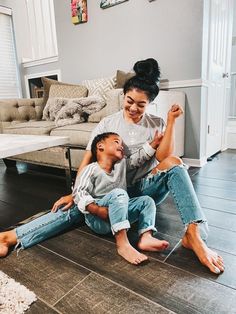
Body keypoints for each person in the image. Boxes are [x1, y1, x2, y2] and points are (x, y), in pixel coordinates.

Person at [0, 58, 224, 274]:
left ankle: (193, 233)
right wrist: (75, 193)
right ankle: (11, 236)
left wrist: (172, 121)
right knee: (77, 207)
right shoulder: (108, 124)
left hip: (141, 190)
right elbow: (88, 160)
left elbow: (164, 157)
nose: (133, 108)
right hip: (108, 191)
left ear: (149, 104)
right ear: (123, 96)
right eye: (129, 100)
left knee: (175, 163)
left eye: (141, 104)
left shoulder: (156, 123)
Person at [72, 132, 169, 264]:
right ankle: (122, 243)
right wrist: (96, 209)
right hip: (98, 218)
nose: (122, 146)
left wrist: (155, 143)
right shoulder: (91, 169)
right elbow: (78, 192)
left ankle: (146, 236)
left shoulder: (121, 165)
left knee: (146, 201)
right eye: (117, 142)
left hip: (119, 214)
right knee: (119, 193)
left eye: (122, 144)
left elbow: (138, 158)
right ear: (100, 146)